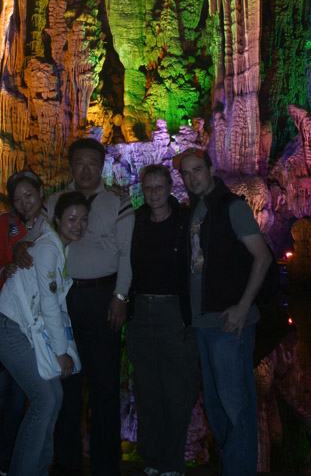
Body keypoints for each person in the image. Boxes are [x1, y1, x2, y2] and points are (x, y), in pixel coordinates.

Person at [13, 137, 134, 476]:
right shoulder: (53, 203)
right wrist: (20, 245)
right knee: (65, 381)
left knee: (104, 385)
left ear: (101, 166)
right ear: (71, 166)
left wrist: (120, 296)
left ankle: (105, 465)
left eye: (92, 163)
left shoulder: (118, 204)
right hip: (61, 299)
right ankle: (66, 461)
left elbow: (126, 253)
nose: (85, 169)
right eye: (79, 162)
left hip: (103, 298)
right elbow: (32, 236)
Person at [173, 148, 271, 476]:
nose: (191, 178)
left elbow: (263, 256)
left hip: (229, 322)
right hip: (203, 321)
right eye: (186, 173)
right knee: (216, 405)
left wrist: (243, 307)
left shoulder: (233, 207)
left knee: (235, 405)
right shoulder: (197, 209)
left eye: (197, 170)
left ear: (211, 169)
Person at [0, 191, 90, 476]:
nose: (78, 225)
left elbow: (53, 305)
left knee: (53, 397)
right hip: (9, 326)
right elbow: (49, 303)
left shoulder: (60, 247)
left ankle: (38, 468)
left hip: (23, 326)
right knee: (45, 399)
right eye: (71, 218)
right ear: (57, 219)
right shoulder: (48, 248)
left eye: (83, 220)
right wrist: (61, 354)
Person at [126, 163, 199, 476]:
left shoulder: (186, 220)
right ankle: (152, 459)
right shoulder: (136, 220)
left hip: (174, 311)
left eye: (158, 187)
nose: (153, 193)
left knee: (176, 389)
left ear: (170, 187)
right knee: (145, 389)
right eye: (148, 187)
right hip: (141, 311)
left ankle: (172, 462)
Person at [0, 169, 44, 476]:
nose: (23, 203)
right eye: (17, 198)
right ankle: (7, 450)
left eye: (28, 195)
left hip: (29, 321)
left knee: (19, 393)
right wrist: (5, 269)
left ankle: (8, 460)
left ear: (40, 193)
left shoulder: (49, 223)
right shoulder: (4, 222)